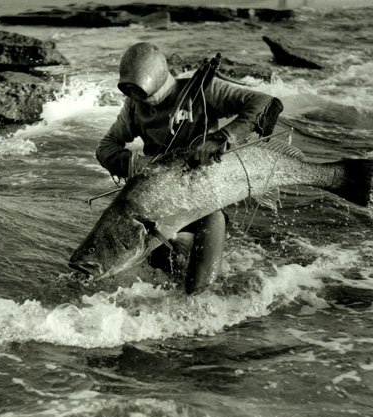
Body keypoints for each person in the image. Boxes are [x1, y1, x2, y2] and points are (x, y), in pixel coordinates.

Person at [96, 42, 283, 293]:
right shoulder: (134, 106)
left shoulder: (201, 92)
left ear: (162, 82)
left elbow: (264, 102)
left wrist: (223, 137)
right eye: (134, 94)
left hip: (204, 195)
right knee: (160, 276)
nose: (142, 102)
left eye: (146, 95)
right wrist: (134, 163)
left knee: (199, 277)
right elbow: (106, 146)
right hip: (158, 199)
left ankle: (203, 301)